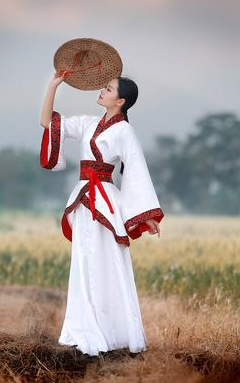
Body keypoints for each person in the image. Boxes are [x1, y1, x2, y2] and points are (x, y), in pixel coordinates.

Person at [39, 70, 164, 356]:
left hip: (105, 202)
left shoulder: (124, 131)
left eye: (108, 89)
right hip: (84, 199)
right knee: (84, 262)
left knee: (107, 265)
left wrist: (147, 215)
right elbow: (47, 122)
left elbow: (135, 170)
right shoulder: (88, 124)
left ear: (120, 101)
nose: (102, 91)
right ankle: (84, 329)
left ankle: (112, 332)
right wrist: (53, 85)